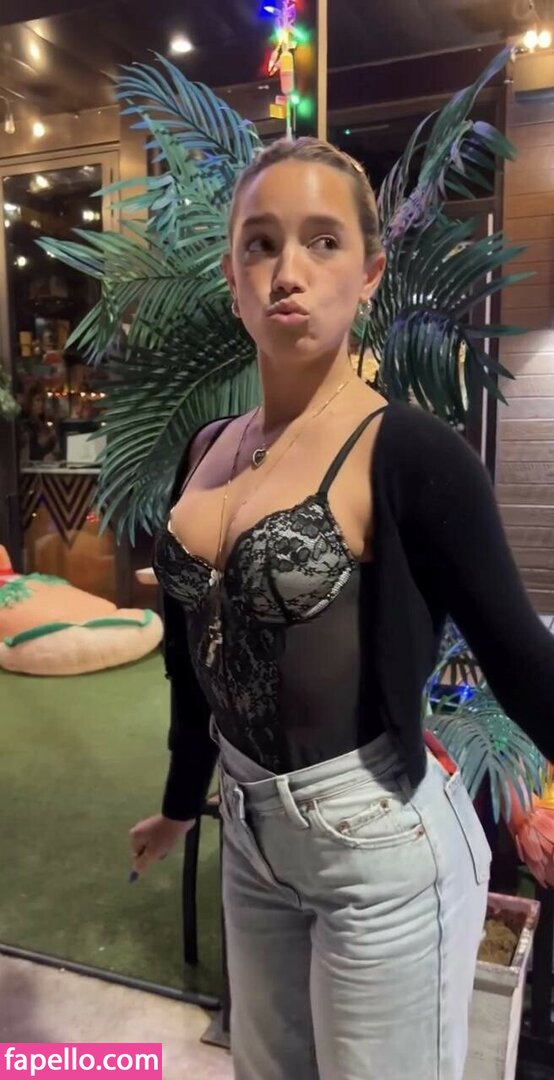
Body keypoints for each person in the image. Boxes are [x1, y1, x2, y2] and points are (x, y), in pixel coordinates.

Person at [130, 138, 554, 1080]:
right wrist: (179, 805)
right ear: (232, 278)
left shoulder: (410, 451)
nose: (288, 271)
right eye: (260, 243)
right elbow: (189, 653)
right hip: (250, 835)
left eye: (323, 242)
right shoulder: (205, 447)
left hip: (378, 842)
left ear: (368, 274)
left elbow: (523, 660)